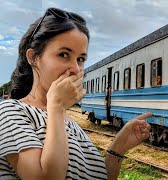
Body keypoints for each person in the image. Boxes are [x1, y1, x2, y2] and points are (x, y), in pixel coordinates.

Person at [0, 7, 152, 180]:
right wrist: (56, 107)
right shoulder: (11, 111)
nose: (75, 69)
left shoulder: (69, 121)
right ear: (33, 57)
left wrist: (118, 148)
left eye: (80, 59)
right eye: (64, 54)